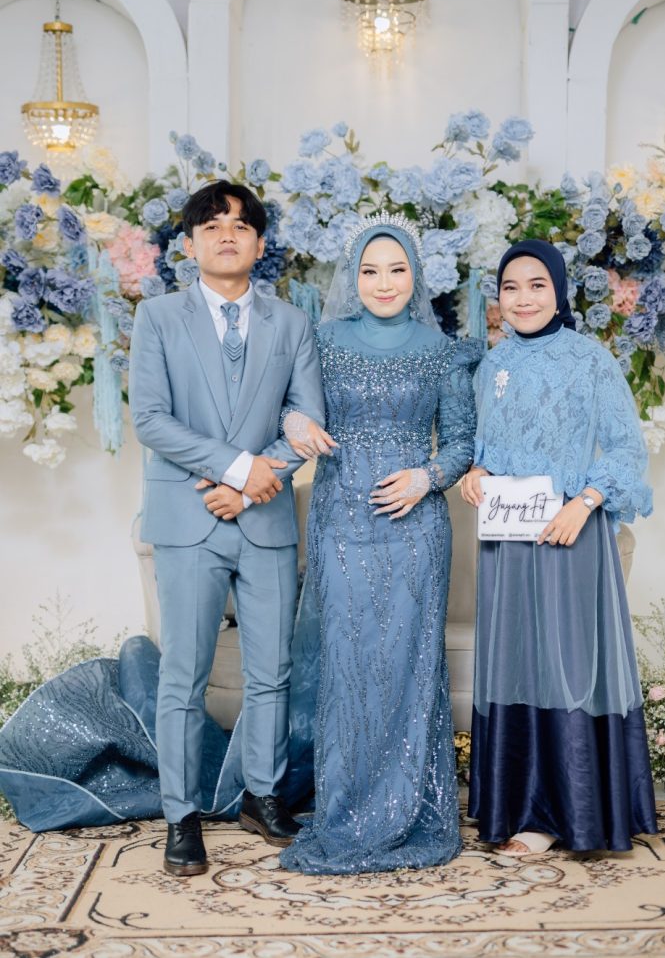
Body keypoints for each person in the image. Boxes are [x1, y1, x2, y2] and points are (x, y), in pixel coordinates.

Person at [276, 213, 482, 874]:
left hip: (415, 529)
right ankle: (345, 809)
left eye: (397, 270)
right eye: (370, 271)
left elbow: (461, 441)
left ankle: (408, 808)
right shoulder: (321, 340)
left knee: (408, 663)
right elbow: (288, 405)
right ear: (352, 276)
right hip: (340, 520)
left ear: (416, 275)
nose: (384, 282)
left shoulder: (443, 350)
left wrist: (428, 476)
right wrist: (295, 419)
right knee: (347, 662)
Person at [128, 180, 324, 876]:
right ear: (189, 244)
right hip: (188, 517)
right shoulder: (157, 318)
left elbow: (307, 421)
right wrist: (239, 469)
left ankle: (262, 795)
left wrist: (250, 485)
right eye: (211, 226)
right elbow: (149, 419)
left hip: (264, 516)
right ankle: (180, 814)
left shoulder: (292, 324)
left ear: (260, 243)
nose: (227, 235)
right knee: (184, 672)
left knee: (272, 669)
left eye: (240, 225)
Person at [461, 239, 658, 856]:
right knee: (517, 662)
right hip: (507, 545)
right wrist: (475, 473)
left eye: (537, 285)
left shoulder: (589, 359)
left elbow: (626, 448)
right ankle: (521, 807)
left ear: (559, 291)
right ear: (498, 297)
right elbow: (485, 448)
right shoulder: (491, 367)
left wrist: (587, 501)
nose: (523, 299)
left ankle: (568, 813)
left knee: (565, 666)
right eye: (511, 287)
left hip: (569, 537)